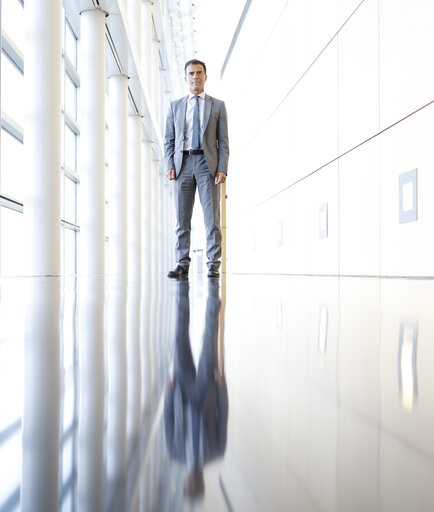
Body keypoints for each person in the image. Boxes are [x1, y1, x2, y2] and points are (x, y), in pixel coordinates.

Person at [164, 59, 229, 279]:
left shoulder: (217, 105)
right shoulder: (175, 106)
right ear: (185, 77)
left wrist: (222, 168)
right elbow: (169, 141)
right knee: (182, 219)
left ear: (205, 76)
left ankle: (213, 263)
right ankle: (182, 263)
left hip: (207, 165)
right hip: (182, 165)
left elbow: (224, 141)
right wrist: (169, 165)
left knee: (212, 218)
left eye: (199, 73)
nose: (195, 77)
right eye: (191, 73)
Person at [164, 279, 228, 499]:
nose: (195, 483)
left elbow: (169, 419)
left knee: (179, 336)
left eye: (191, 486)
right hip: (206, 391)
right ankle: (213, 293)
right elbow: (223, 418)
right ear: (203, 485)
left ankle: (182, 293)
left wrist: (169, 392)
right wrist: (222, 389)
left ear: (185, 483)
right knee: (210, 339)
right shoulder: (217, 452)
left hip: (182, 391)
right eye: (198, 487)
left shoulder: (175, 452)